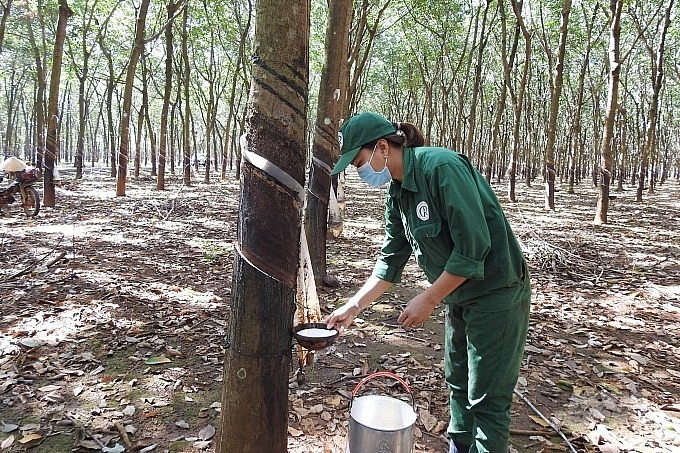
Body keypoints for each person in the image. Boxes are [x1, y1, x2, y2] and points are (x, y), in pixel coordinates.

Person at [325, 112, 531, 453]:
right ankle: (459, 446)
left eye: (359, 161)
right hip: (459, 296)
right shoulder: (398, 194)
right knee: (459, 381)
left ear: (381, 147)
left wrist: (429, 299)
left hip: (497, 294)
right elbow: (390, 260)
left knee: (488, 398)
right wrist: (353, 305)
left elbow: (473, 248)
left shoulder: (441, 169)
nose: (360, 171)